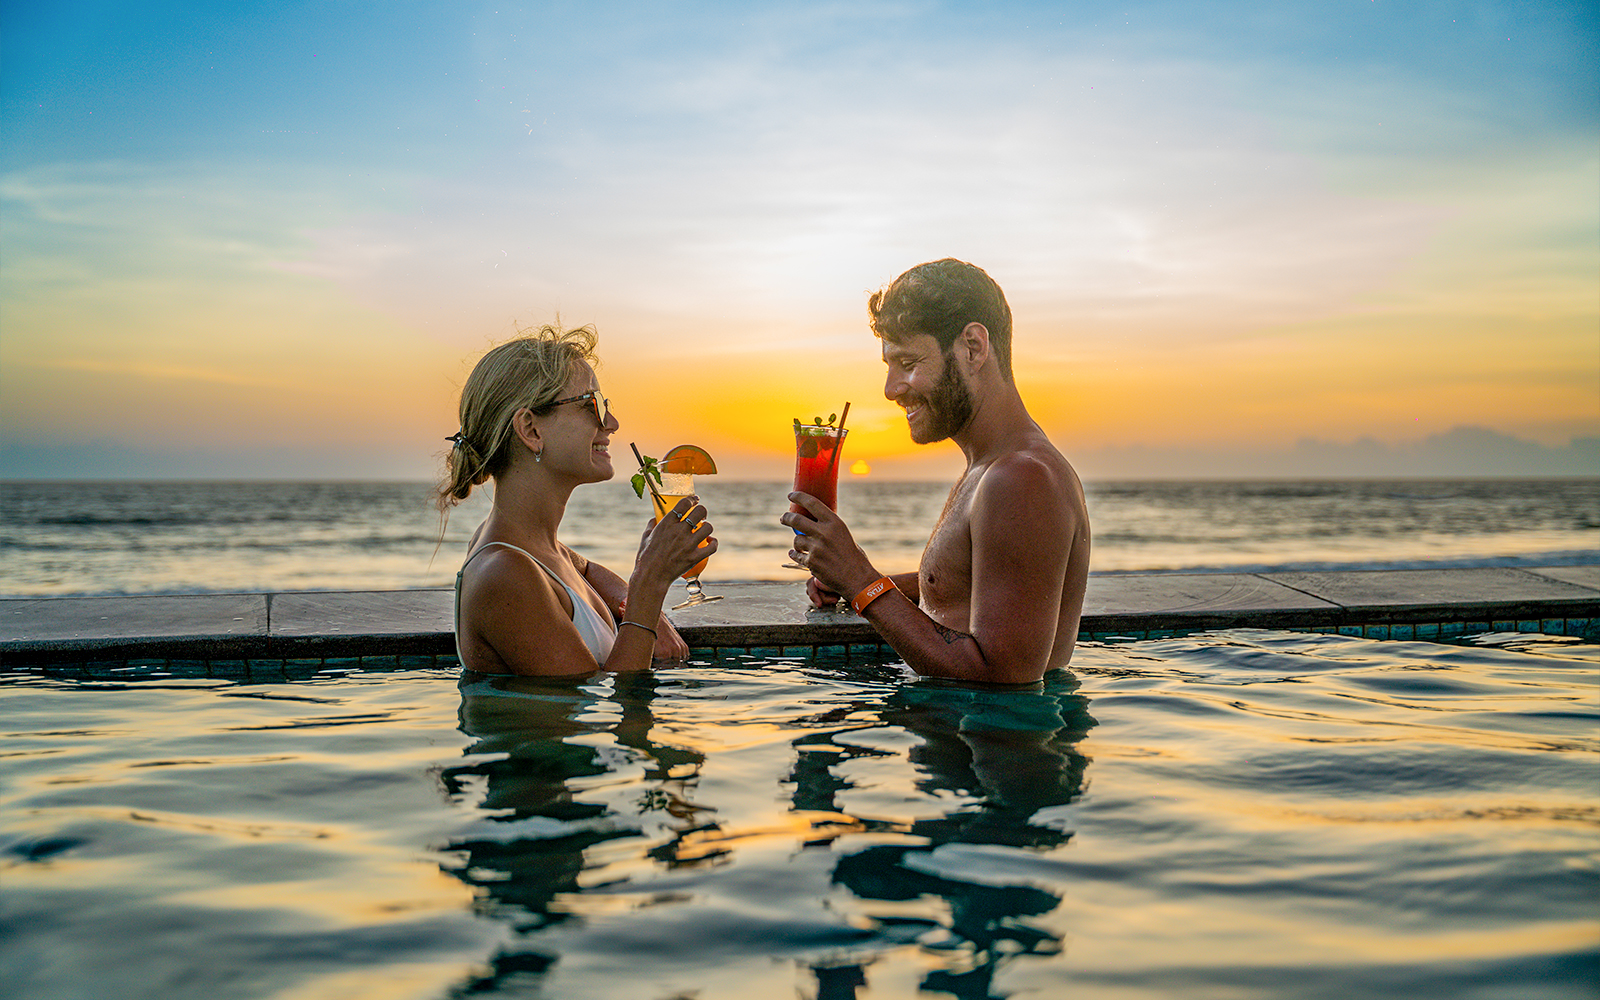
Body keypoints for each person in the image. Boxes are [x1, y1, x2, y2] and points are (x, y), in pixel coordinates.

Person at [781, 259, 1091, 684]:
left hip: (993, 746)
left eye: (908, 362)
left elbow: (1004, 676)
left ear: (973, 347)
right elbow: (972, 590)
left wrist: (861, 581)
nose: (891, 389)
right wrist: (861, 582)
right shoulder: (990, 468)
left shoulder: (1020, 478)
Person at [439, 323, 714, 675]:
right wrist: (649, 583)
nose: (611, 422)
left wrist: (643, 613)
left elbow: (584, 569)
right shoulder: (505, 574)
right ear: (531, 430)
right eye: (591, 405)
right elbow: (613, 709)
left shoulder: (538, 548)